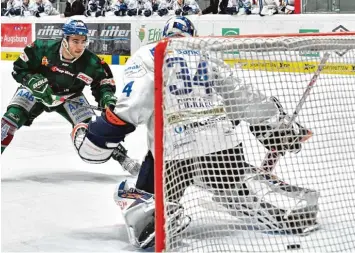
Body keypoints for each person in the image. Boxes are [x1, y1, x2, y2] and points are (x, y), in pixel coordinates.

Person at [71, 16, 318, 249]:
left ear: (164, 36)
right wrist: (278, 125)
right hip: (221, 145)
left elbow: (133, 106)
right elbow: (243, 98)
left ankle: (156, 217)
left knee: (138, 194)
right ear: (192, 35)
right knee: (234, 192)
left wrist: (101, 133)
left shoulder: (150, 53)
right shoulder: (206, 55)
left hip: (174, 150)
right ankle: (286, 217)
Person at [1, 19, 117, 155]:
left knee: (90, 132)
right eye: (75, 41)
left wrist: (107, 99)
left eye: (83, 41)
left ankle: (119, 154)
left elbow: (103, 84)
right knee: (7, 124)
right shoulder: (41, 47)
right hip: (35, 91)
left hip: (69, 97)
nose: (80, 46)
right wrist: (30, 80)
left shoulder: (92, 62)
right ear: (65, 39)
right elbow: (18, 69)